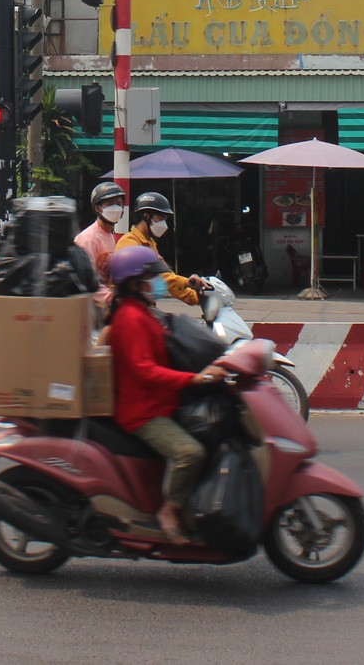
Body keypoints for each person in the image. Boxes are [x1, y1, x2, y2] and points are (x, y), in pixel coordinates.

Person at [104, 245, 228, 544]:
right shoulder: (130, 319)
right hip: (143, 412)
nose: (158, 283)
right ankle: (169, 511)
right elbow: (145, 370)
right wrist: (194, 379)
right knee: (190, 453)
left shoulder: (144, 312)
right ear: (135, 283)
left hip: (162, 402)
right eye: (152, 278)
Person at [114, 192, 202, 307]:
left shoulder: (150, 243)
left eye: (165, 220)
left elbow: (168, 278)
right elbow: (164, 278)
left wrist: (198, 298)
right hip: (128, 306)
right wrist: (187, 282)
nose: (163, 224)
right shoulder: (130, 243)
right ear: (146, 216)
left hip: (144, 306)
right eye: (160, 219)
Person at [75, 181, 127, 294]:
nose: (116, 208)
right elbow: (87, 281)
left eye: (119, 204)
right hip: (92, 304)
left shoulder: (109, 235)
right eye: (110, 204)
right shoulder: (88, 239)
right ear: (98, 208)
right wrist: (112, 299)